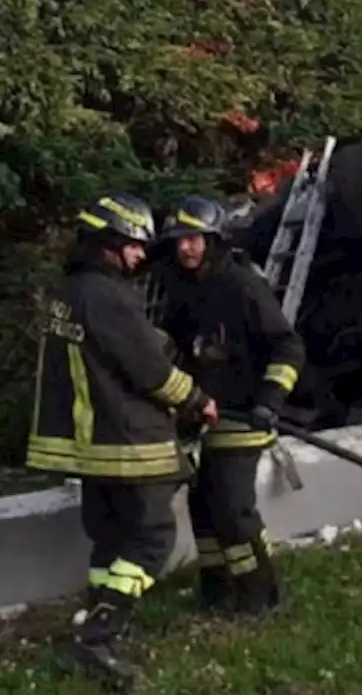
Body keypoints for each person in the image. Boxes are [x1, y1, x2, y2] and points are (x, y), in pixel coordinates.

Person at [26, 193, 218, 689]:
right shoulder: (107, 295)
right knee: (152, 537)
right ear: (108, 243)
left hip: (88, 442)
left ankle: (98, 614)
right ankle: (98, 637)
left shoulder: (66, 292)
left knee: (110, 535)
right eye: (133, 246)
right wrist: (196, 399)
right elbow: (148, 368)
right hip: (127, 438)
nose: (139, 257)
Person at [151, 195, 305, 616]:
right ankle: (217, 592)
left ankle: (263, 596)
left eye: (195, 239)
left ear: (214, 239)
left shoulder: (242, 285)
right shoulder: (182, 288)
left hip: (246, 414)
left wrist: (271, 399)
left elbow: (288, 347)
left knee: (233, 508)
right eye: (180, 240)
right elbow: (179, 348)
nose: (186, 248)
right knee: (203, 507)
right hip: (204, 414)